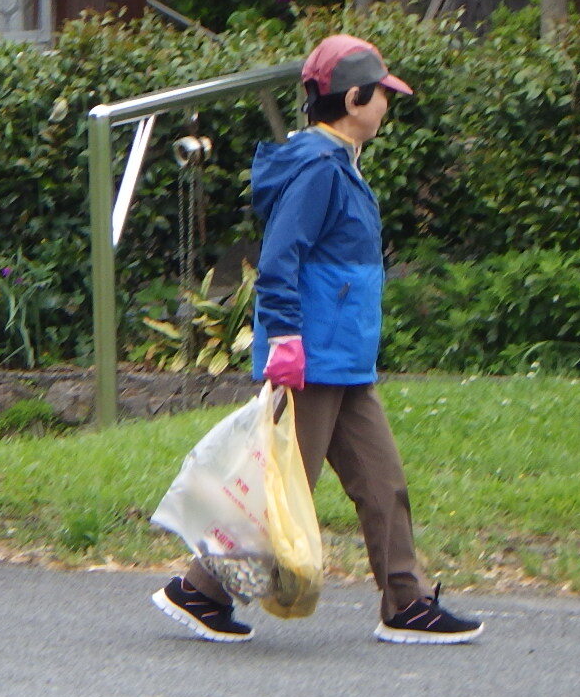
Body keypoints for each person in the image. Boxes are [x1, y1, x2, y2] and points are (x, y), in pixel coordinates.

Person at [153, 34, 485, 644]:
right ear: (353, 97)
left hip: (345, 362)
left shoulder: (337, 164)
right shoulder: (317, 168)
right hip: (309, 361)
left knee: (383, 484)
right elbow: (280, 260)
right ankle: (201, 589)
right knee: (280, 490)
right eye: (382, 94)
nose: (388, 104)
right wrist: (284, 343)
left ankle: (405, 602)